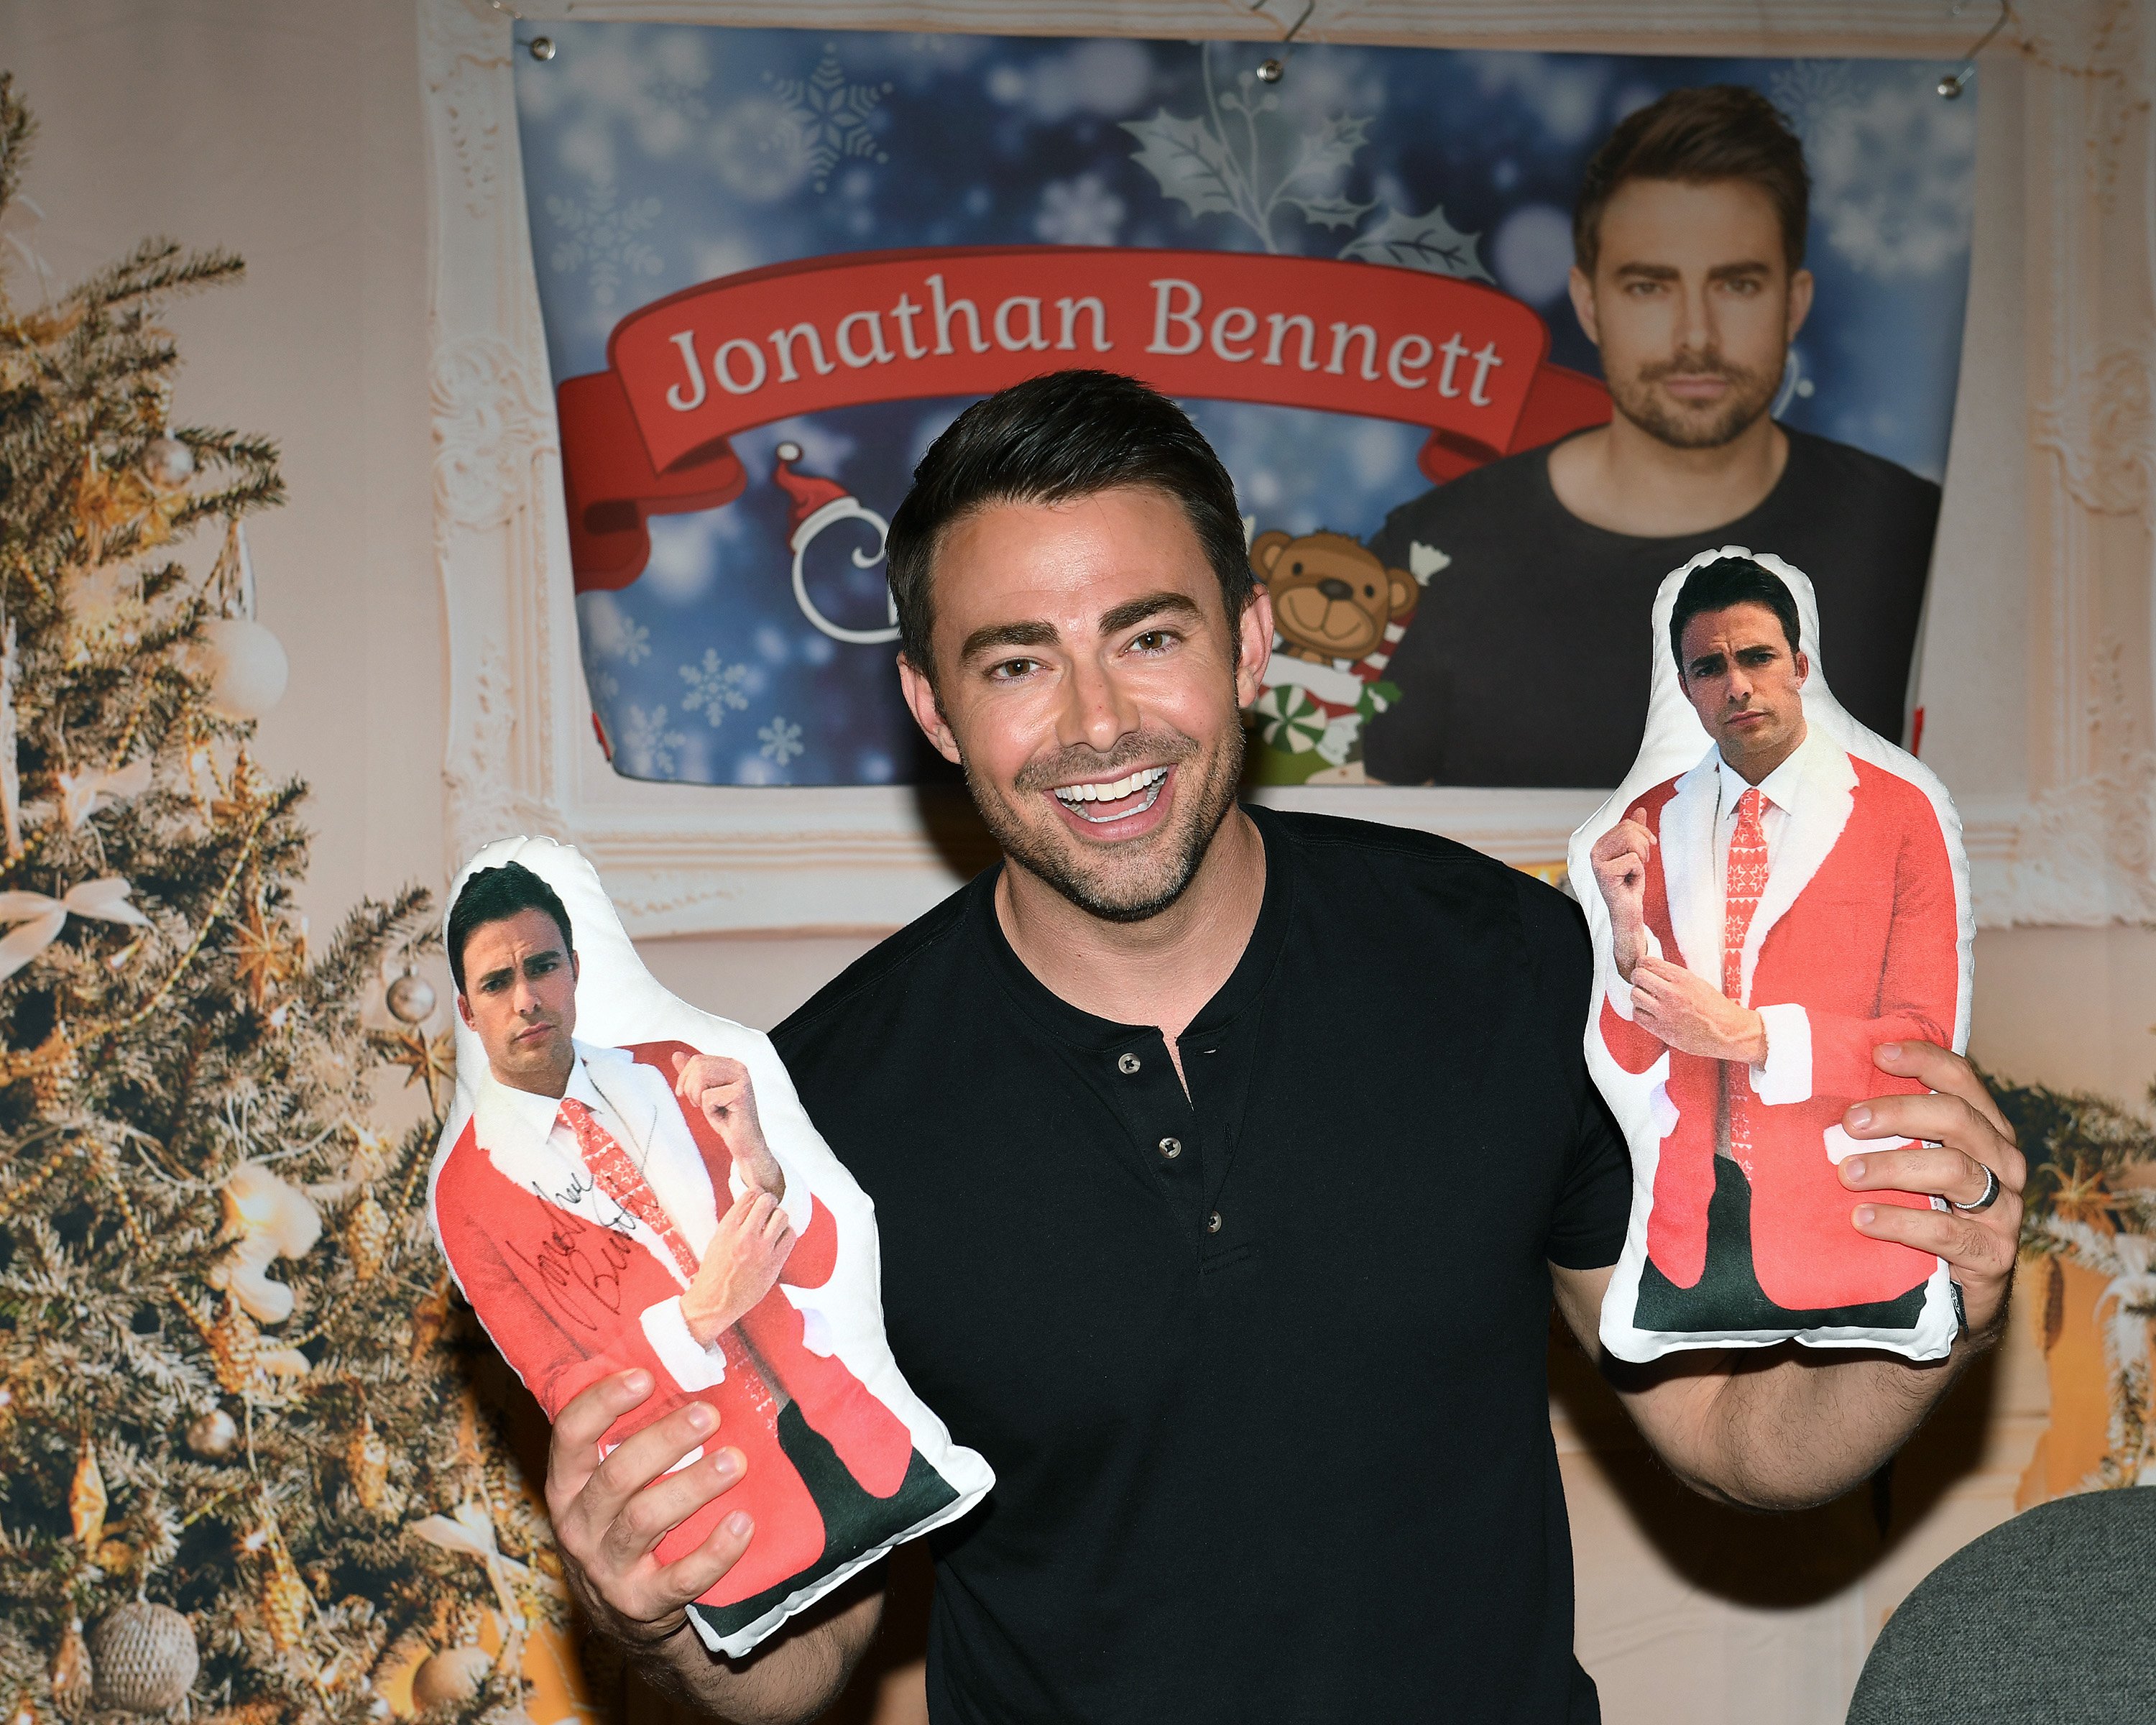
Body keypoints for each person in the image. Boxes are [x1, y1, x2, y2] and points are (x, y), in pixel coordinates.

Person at [538, 372, 2022, 1724]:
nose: (1100, 724)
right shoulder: (809, 1123)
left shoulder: (1513, 969)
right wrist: (660, 1612)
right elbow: (802, 1661)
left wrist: (1929, 1312)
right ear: (932, 704)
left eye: (1150, 637)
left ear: (1249, 641)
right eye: (1016, 665)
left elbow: (1729, 1433)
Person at [1363, 84, 1943, 789]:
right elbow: (1353, 833)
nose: (1695, 336)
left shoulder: (1917, 539)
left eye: (1736, 285)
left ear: (1793, 303)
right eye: (1649, 287)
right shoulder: (1435, 554)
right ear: (1589, 303)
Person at [431, 862, 939, 1634]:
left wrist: (759, 1159)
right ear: (469, 1012)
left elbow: (820, 1264)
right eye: (498, 983)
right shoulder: (466, 1193)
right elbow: (568, 1391)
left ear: (575, 971)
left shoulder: (673, 1067)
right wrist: (699, 1315)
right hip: (727, 1512)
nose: (527, 997)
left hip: (857, 1433)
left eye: (542, 966)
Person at [1588, 557, 1961, 1331]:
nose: (1737, 686)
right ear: (1687, 688)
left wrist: (1752, 1037)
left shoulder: (1899, 814)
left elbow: (1925, 1045)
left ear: (1799, 667)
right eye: (1709, 668)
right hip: (1691, 1237)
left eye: (1757, 657)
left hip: (1849, 1225)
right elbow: (1629, 1053)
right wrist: (1624, 937)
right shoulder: (1648, 820)